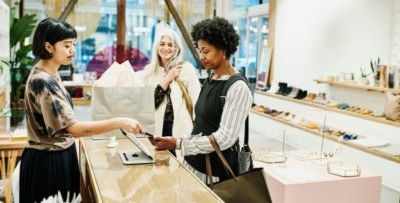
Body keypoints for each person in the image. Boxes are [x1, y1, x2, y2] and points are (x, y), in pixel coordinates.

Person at [20, 18, 145, 203]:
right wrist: (121, 122)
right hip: (49, 162)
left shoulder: (51, 73)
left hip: (57, 155)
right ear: (48, 47)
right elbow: (75, 129)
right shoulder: (44, 81)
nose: (72, 50)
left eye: (73, 44)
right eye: (66, 45)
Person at [153, 17, 253, 183]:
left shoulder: (238, 88)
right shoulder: (211, 78)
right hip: (193, 164)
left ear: (223, 49)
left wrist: (178, 143)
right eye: (199, 51)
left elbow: (224, 139)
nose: (201, 56)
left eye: (206, 51)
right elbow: (200, 125)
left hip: (215, 173)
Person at [141, 27, 201, 156]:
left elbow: (197, 101)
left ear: (177, 49)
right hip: (156, 129)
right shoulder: (149, 72)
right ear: (156, 47)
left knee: (180, 168)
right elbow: (147, 105)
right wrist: (166, 80)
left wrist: (199, 133)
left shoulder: (186, 69)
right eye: (162, 44)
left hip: (180, 128)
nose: (166, 48)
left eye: (170, 45)